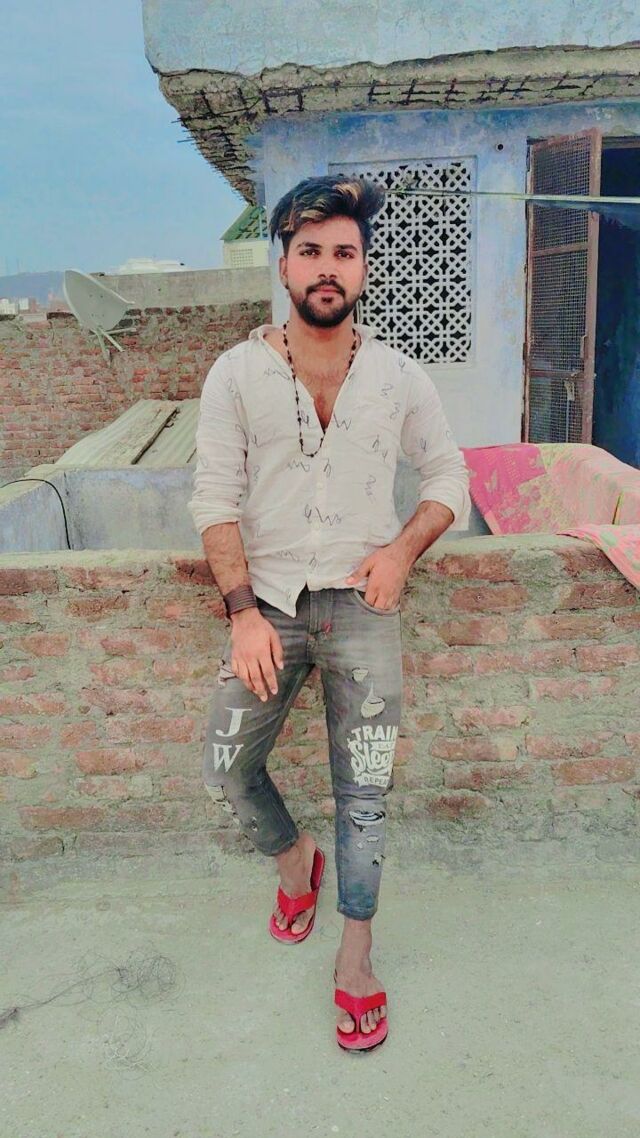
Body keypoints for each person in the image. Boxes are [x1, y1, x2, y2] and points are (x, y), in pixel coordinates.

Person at [188, 175, 471, 1052]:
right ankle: (293, 861)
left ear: (363, 269)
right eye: (309, 250)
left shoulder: (398, 377)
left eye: (343, 252)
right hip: (269, 605)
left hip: (362, 606)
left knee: (365, 790)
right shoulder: (236, 373)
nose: (326, 267)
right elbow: (214, 499)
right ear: (283, 264)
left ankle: (356, 953)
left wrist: (401, 551)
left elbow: (448, 477)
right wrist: (242, 612)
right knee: (226, 766)